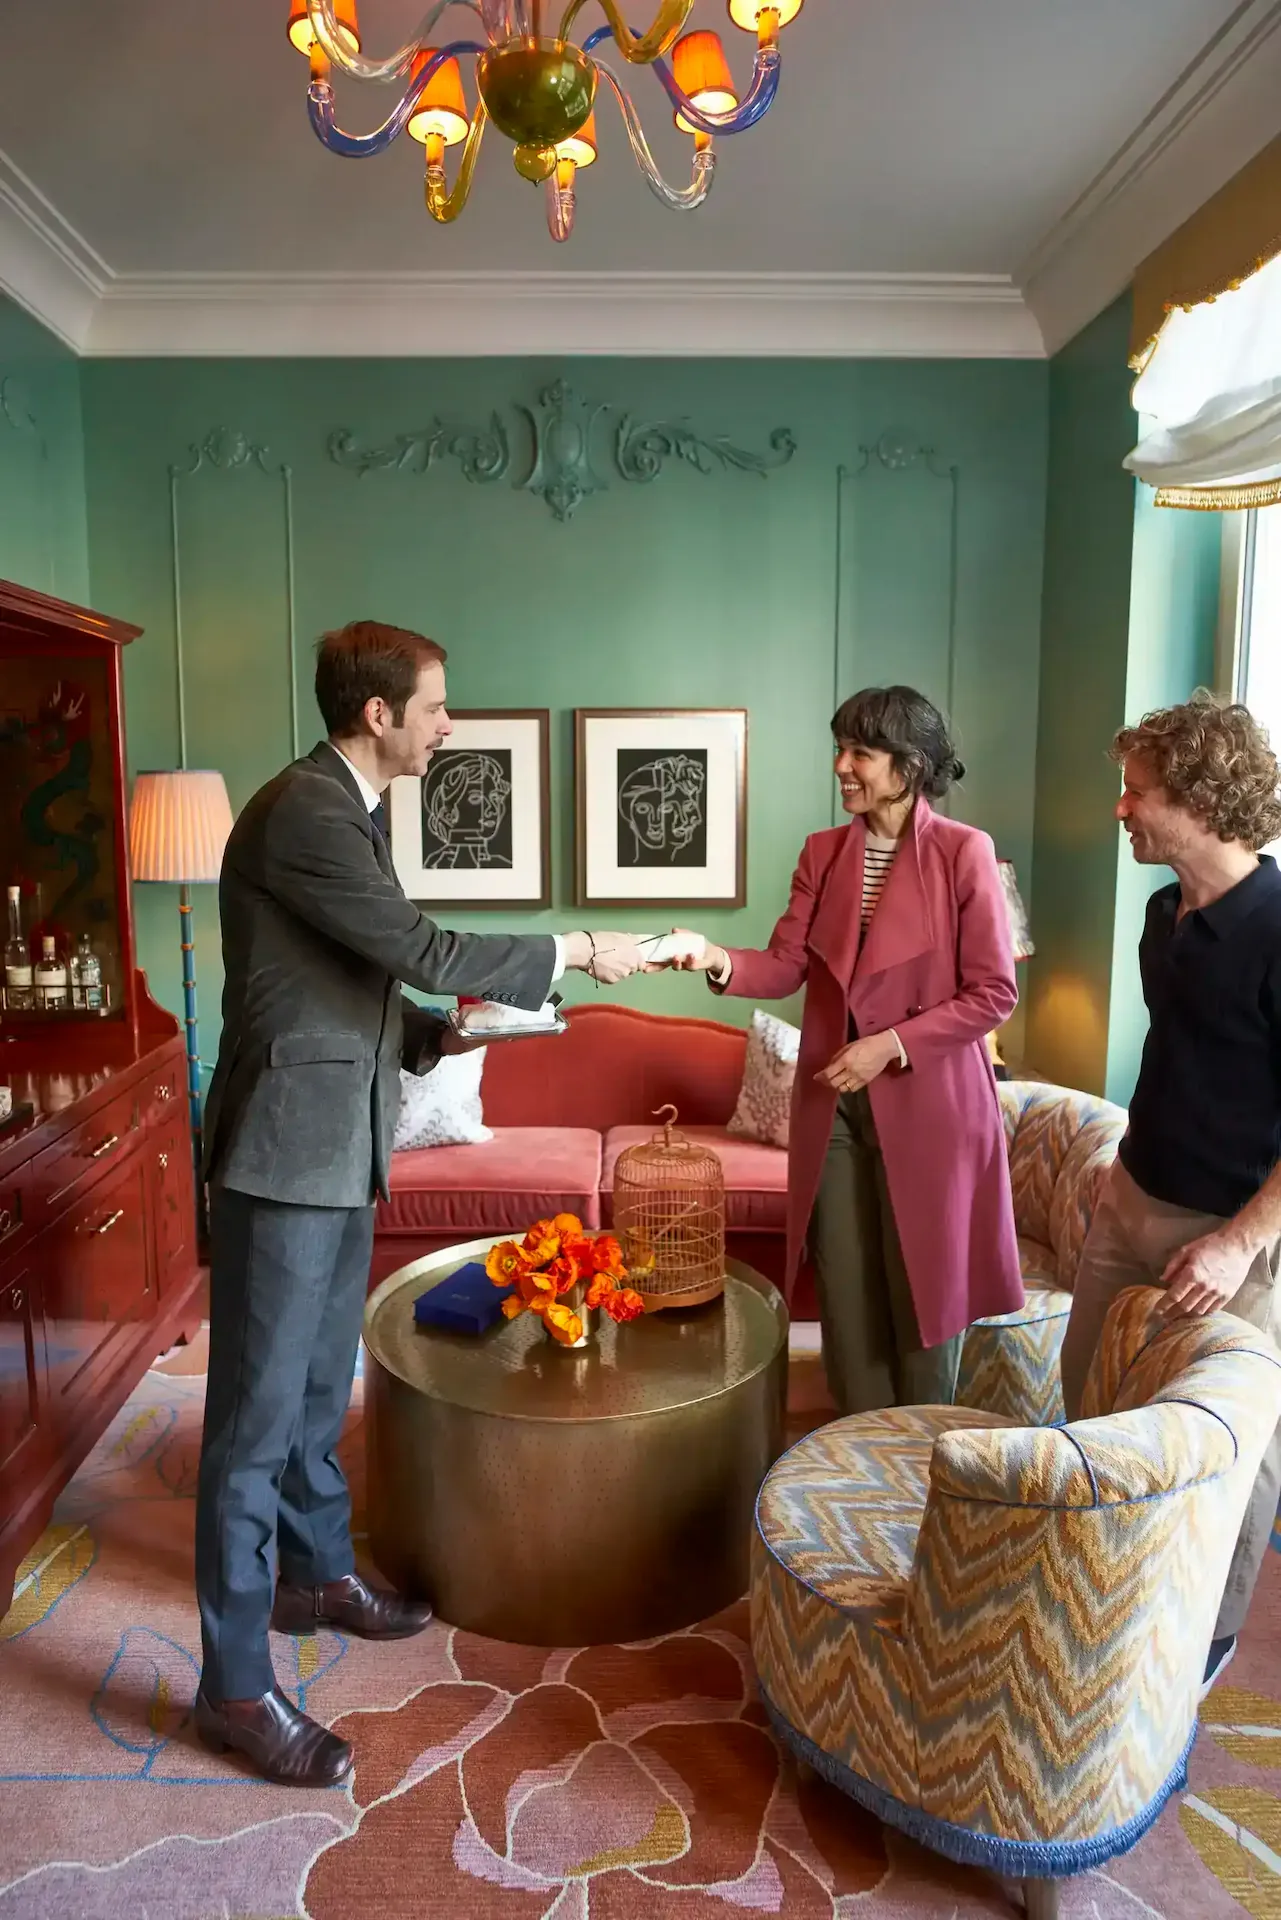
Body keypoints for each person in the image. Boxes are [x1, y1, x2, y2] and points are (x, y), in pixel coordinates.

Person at [194, 620, 646, 1787]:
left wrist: (445, 1031)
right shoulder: (304, 807)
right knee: (250, 1424)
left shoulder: (352, 811)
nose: (450, 727)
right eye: (437, 708)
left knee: (312, 1386)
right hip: (285, 1150)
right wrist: (574, 948)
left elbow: (357, 978)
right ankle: (234, 1685)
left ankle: (315, 1575)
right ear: (380, 714)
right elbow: (417, 943)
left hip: (344, 1144)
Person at [665, 685, 1023, 1413]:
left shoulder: (965, 853)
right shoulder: (822, 854)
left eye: (859, 752)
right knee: (847, 1288)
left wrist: (887, 1046)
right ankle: (857, 1454)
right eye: (840, 749)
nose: (840, 766)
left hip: (929, 1106)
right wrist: (710, 955)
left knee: (924, 1286)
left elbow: (992, 992)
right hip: (833, 1105)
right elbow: (783, 963)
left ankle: (924, 1459)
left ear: (908, 765)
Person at [1058, 692, 1281, 1697]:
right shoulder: (1163, 913)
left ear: (1199, 801)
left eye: (1136, 794)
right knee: (1090, 1397)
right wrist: (1128, 1162)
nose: (1122, 810)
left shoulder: (1278, 932)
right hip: (1134, 1200)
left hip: (1232, 1235)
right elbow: (1180, 1057)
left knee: (1223, 1445)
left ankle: (1200, 1640)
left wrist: (1237, 1244)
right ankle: (1097, 1590)